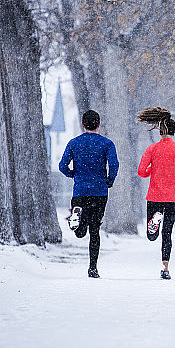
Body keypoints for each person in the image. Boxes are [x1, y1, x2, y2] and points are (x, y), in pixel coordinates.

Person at [59, 109, 119, 278]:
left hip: (80, 191)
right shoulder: (107, 144)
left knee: (80, 232)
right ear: (99, 124)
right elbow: (114, 164)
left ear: (83, 124)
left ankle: (78, 216)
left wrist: (74, 175)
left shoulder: (73, 143)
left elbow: (62, 166)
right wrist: (109, 180)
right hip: (99, 192)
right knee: (95, 230)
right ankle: (93, 268)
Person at [136, 107, 175, 279]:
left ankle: (156, 218)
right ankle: (165, 268)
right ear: (174, 131)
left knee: (151, 235)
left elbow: (141, 171)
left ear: (160, 131)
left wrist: (151, 171)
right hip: (174, 197)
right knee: (167, 232)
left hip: (154, 196)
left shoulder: (152, 149)